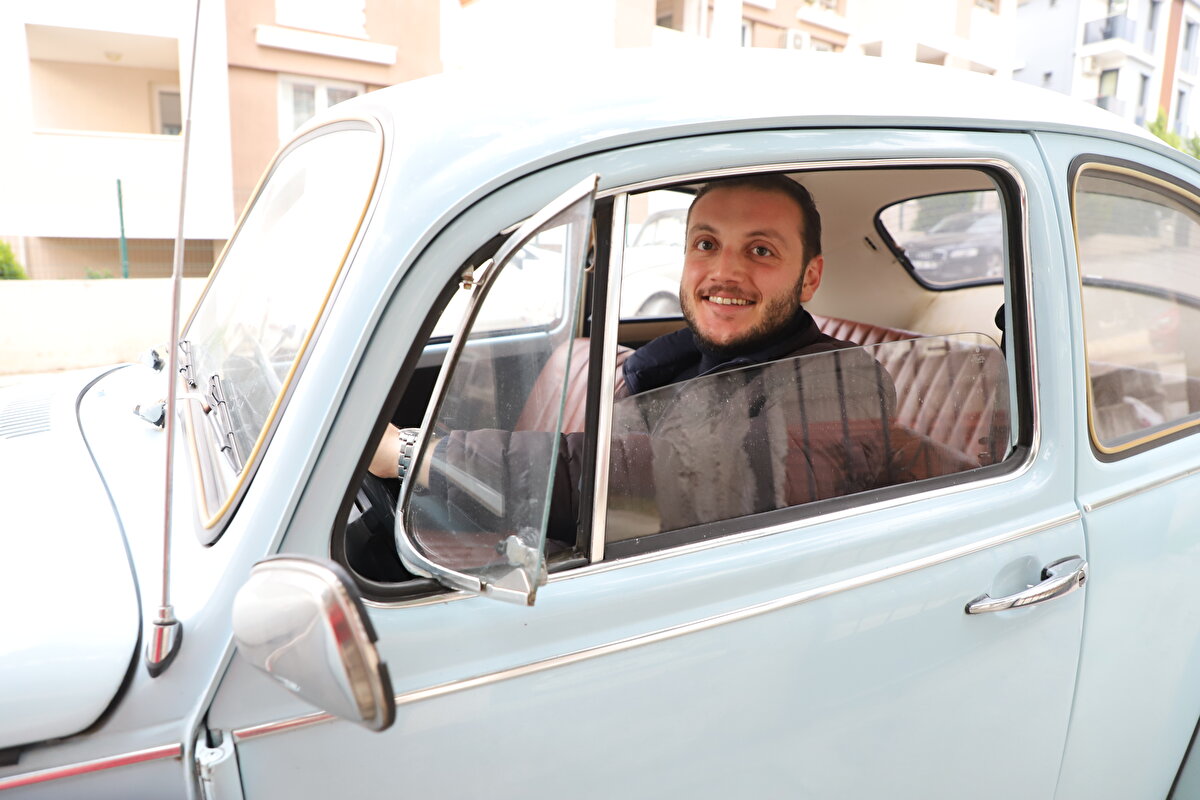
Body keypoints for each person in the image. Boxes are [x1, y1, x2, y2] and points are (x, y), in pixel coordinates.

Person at [369, 174, 898, 551]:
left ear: (808, 277)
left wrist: (412, 452)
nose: (724, 272)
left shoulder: (844, 383)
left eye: (760, 251)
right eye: (706, 244)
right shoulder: (672, 363)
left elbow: (670, 479)